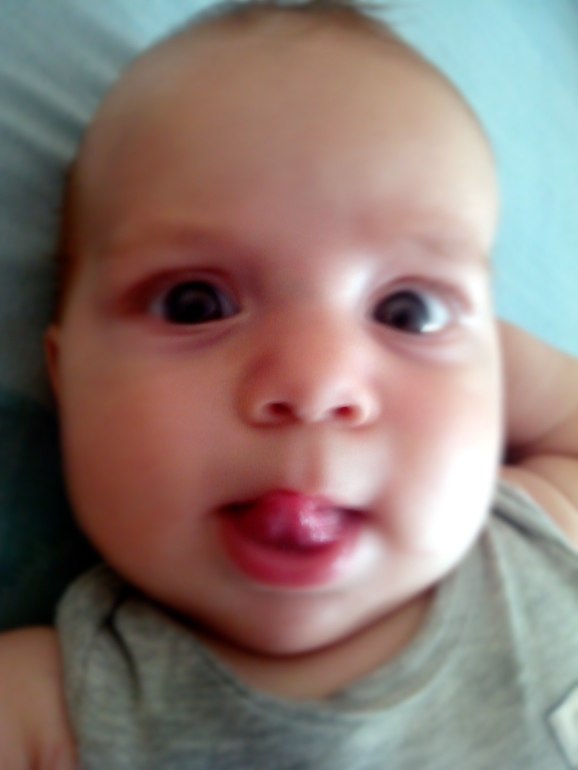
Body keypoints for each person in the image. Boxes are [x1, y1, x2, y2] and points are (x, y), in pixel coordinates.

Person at [1, 1, 577, 767]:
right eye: (195, 304)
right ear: (65, 375)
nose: (315, 384)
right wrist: (427, 332)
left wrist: (467, 352)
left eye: (406, 309)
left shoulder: (541, 533)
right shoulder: (46, 709)